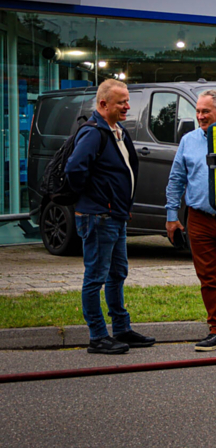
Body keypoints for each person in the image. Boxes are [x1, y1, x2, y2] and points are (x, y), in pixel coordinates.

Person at [65, 78, 155, 354]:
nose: (128, 106)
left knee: (117, 273)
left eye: (128, 101)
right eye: (121, 102)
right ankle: (97, 336)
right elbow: (74, 170)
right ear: (103, 104)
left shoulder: (117, 130)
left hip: (116, 215)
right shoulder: (93, 133)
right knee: (96, 276)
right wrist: (97, 201)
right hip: (99, 217)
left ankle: (121, 329)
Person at [165, 89, 216, 351]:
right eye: (198, 111)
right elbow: (176, 179)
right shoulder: (188, 141)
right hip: (200, 219)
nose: (200, 116)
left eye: (205, 112)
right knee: (209, 277)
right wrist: (171, 217)